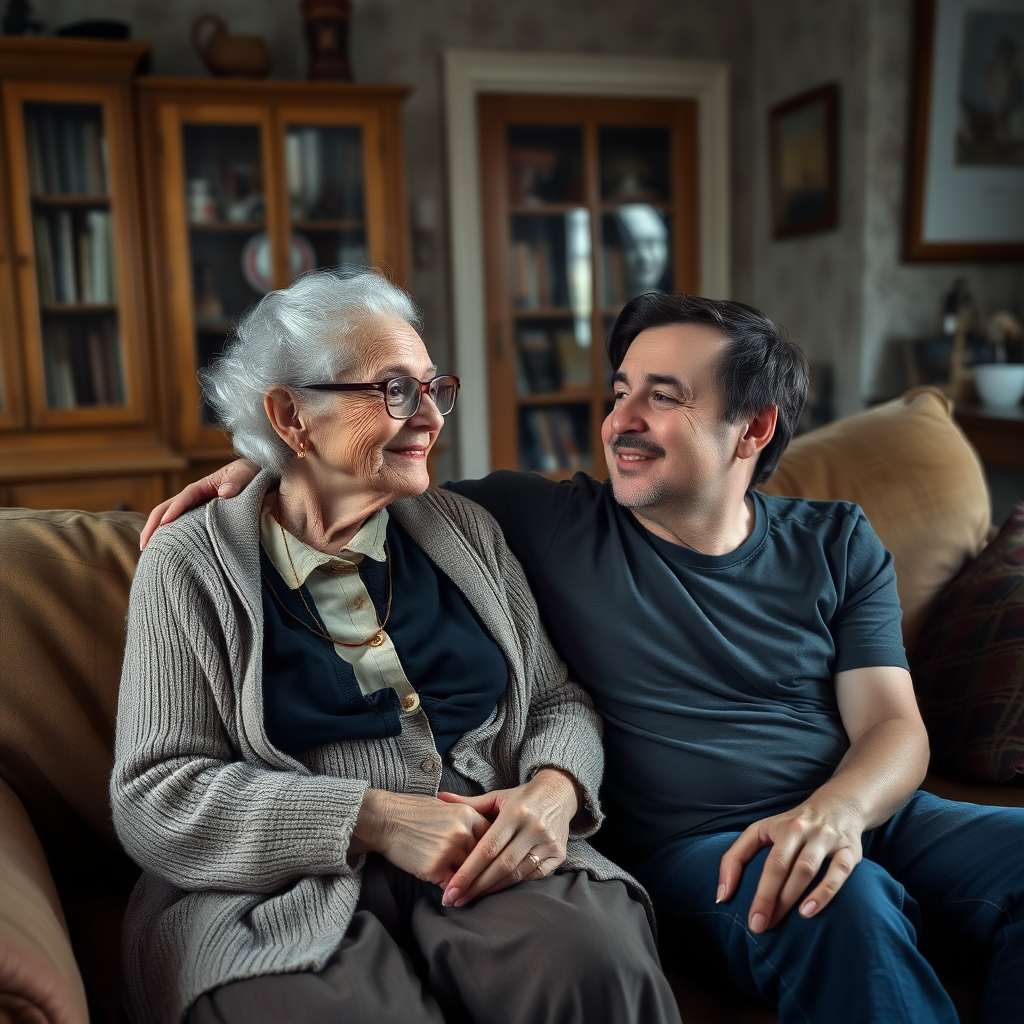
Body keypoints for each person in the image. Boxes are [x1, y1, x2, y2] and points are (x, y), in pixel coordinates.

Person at [148, 291, 1024, 1024]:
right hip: (703, 845)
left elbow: (893, 729)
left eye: (663, 397)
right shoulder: (543, 522)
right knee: (847, 903)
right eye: (619, 390)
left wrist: (835, 814)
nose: (620, 421)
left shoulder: (835, 541)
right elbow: (351, 478)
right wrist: (256, 468)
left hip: (853, 809)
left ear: (753, 429)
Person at [111, 269, 680, 1024]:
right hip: (279, 888)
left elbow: (555, 699)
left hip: (482, 845)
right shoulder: (189, 564)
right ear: (291, 416)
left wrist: (553, 793)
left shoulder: (463, 529)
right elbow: (157, 792)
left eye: (433, 389)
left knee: (595, 963)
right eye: (392, 391)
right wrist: (373, 817)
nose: (430, 419)